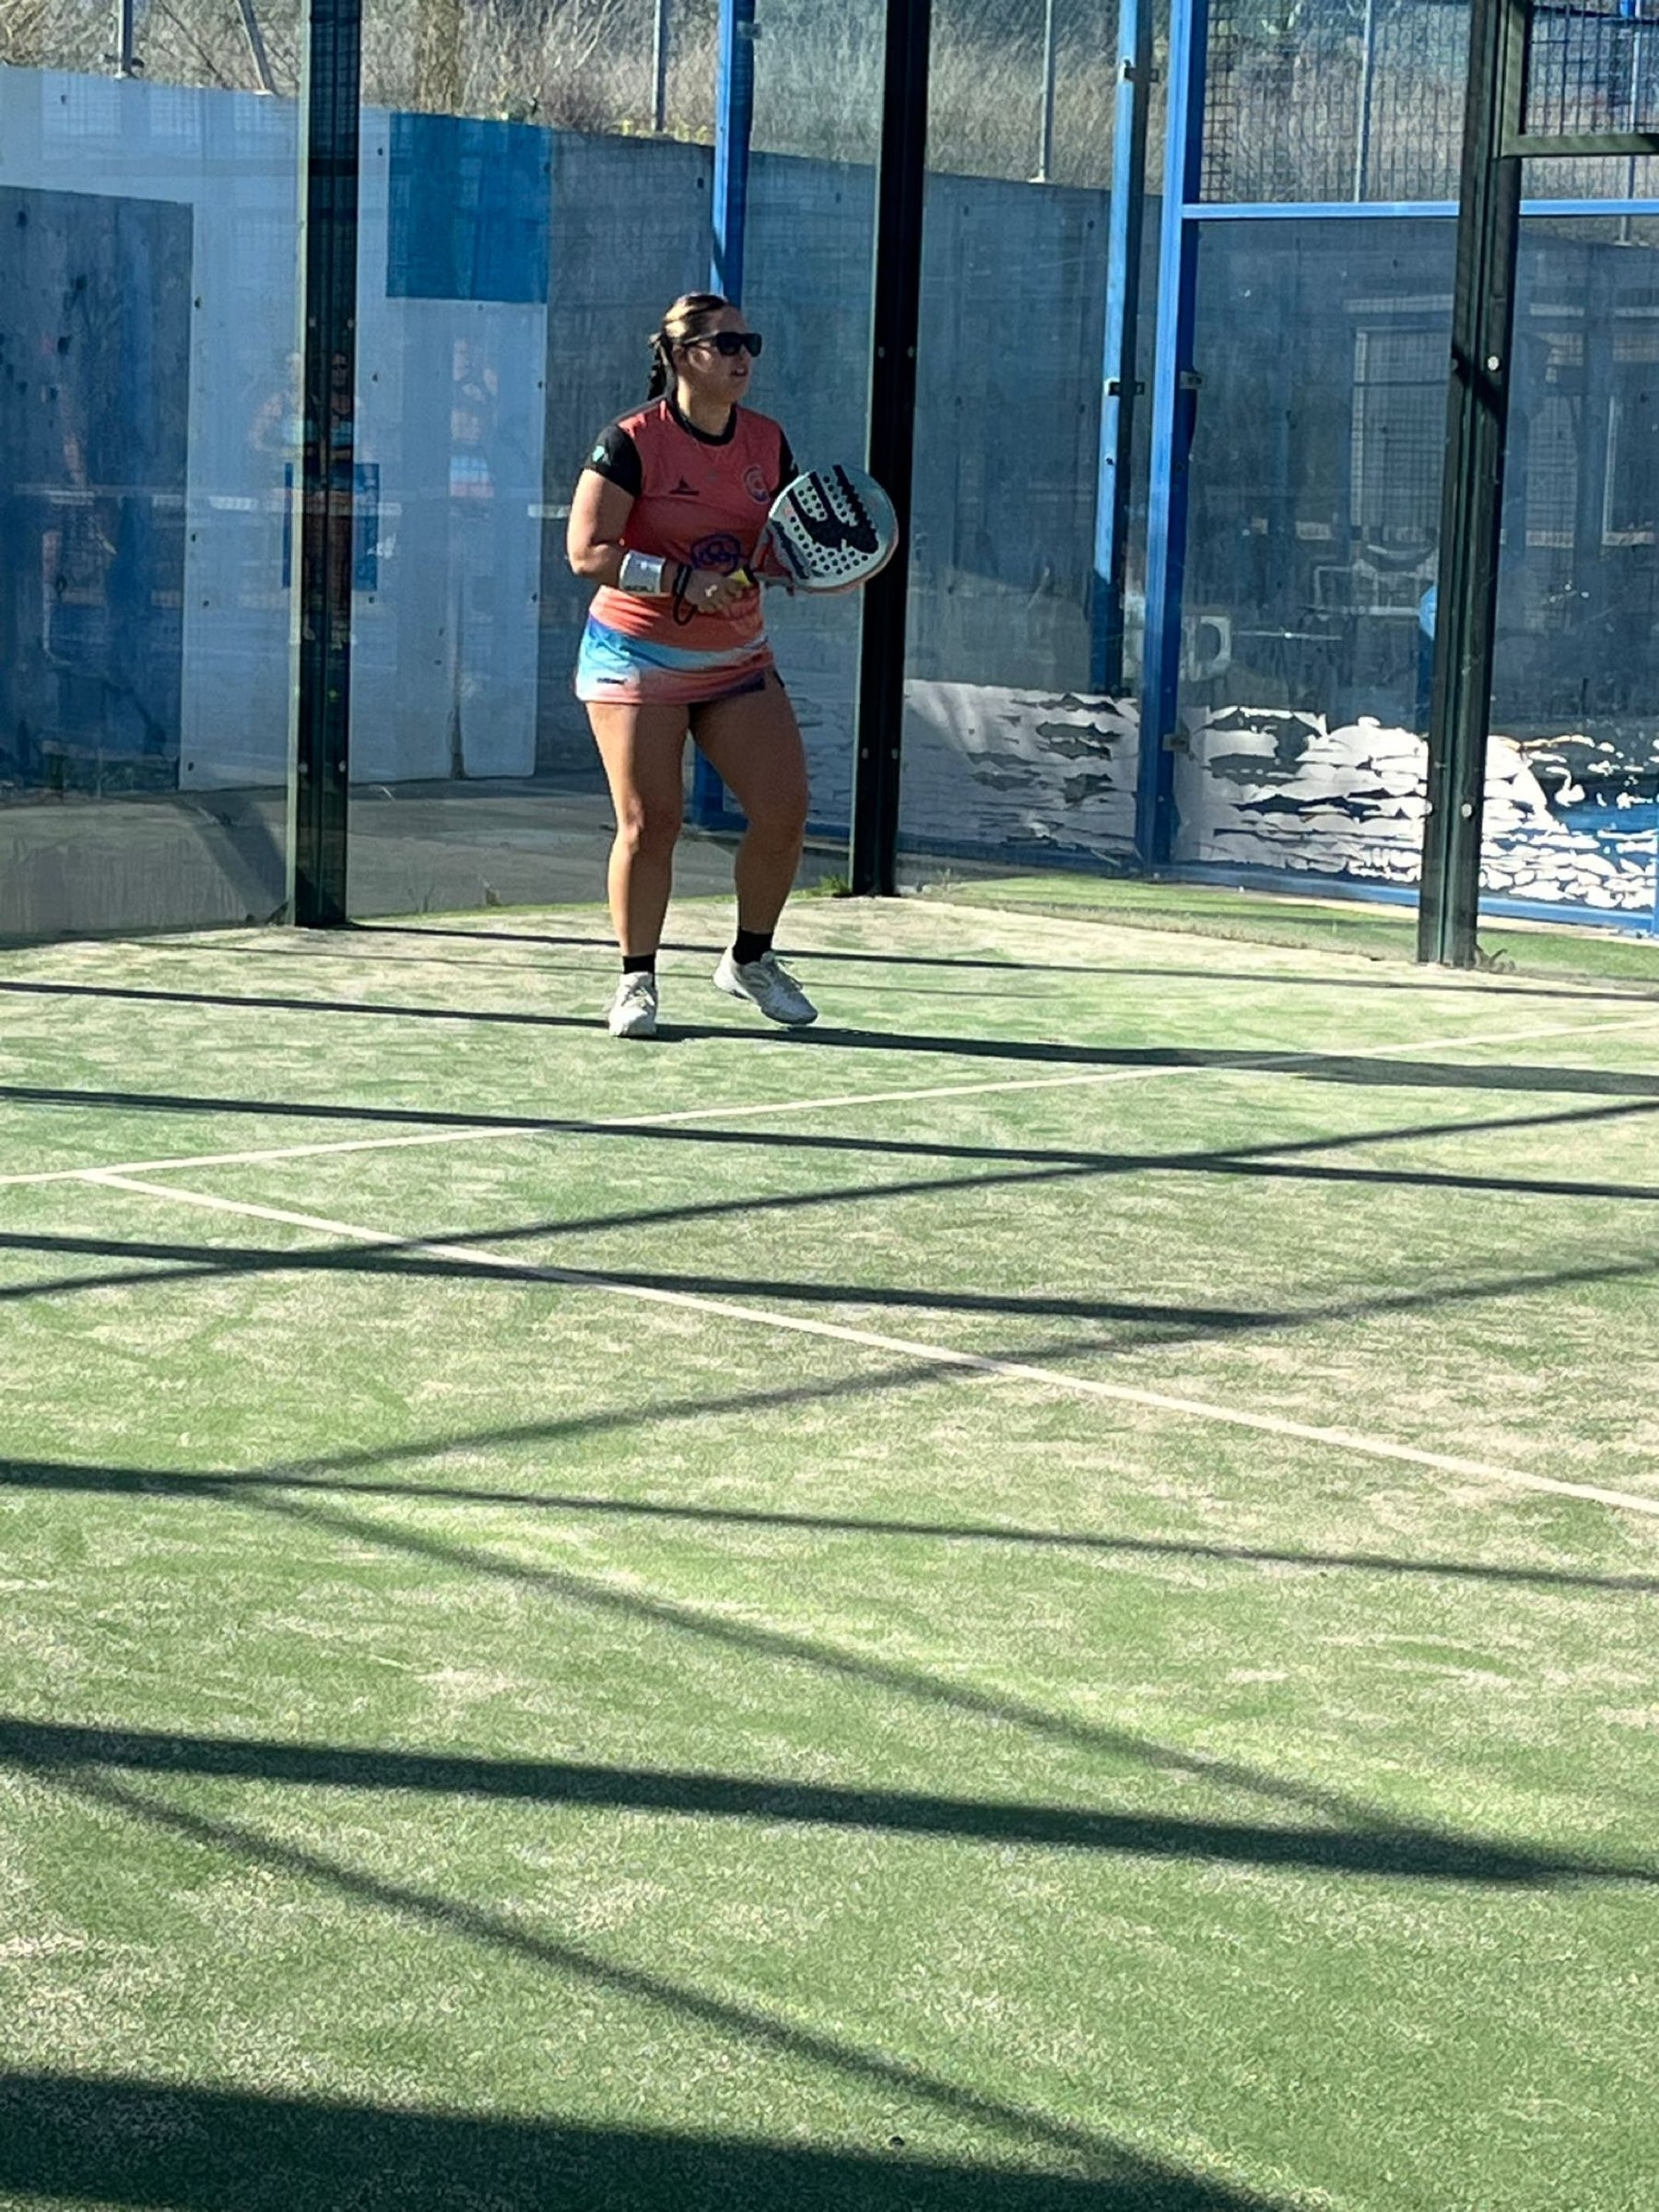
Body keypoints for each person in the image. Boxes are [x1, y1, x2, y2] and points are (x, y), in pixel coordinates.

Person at [567, 291, 817, 1040]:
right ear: (681, 356)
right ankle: (636, 979)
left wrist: (808, 567)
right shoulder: (630, 442)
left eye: (750, 343)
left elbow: (785, 536)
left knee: (784, 813)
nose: (743, 357)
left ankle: (750, 960)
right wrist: (680, 580)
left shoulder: (767, 441)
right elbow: (586, 552)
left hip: (737, 657)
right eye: (725, 344)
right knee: (652, 823)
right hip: (634, 655)